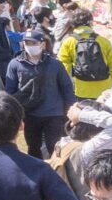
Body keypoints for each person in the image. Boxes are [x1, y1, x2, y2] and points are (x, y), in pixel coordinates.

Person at [6, 25, 78, 158]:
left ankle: (57, 172)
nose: (30, 46)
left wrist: (71, 110)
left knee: (55, 146)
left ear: (43, 45)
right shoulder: (15, 64)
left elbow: (66, 87)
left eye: (34, 43)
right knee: (33, 147)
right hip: (29, 113)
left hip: (53, 113)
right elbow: (10, 91)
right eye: (27, 43)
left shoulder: (55, 64)